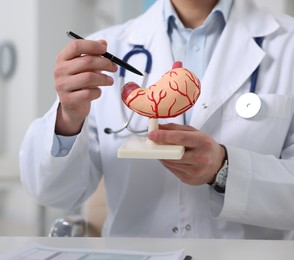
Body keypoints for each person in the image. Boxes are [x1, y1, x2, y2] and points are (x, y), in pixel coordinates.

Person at [20, 0, 294, 239]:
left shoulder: (288, 44)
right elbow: (54, 193)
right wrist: (69, 118)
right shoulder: (104, 50)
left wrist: (224, 170)